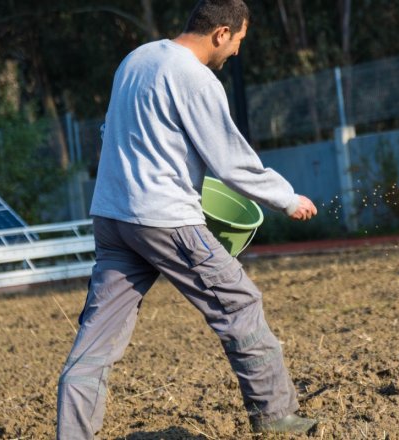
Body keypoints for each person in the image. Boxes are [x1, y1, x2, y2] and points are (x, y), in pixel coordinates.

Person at [56, 0, 319, 437]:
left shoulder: (136, 59)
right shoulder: (194, 77)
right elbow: (231, 161)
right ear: (221, 33)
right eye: (238, 42)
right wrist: (287, 199)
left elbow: (111, 133)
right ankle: (278, 419)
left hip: (113, 215)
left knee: (97, 338)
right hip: (165, 219)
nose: (235, 52)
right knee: (239, 304)